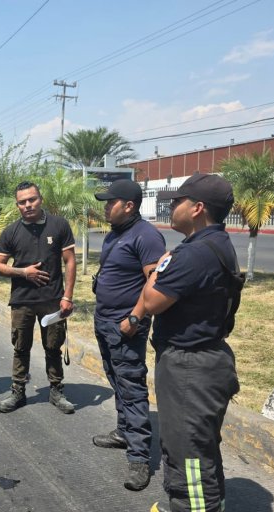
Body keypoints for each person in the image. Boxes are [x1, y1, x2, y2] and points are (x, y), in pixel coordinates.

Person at [140, 173, 240, 512]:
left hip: (190, 365)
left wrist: (157, 269)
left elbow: (151, 302)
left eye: (178, 200)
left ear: (197, 208)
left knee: (189, 451)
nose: (171, 206)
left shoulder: (193, 253)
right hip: (204, 357)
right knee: (196, 444)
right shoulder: (213, 244)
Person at [90, 179, 166, 491]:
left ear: (129, 205)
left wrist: (136, 317)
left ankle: (139, 457)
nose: (106, 207)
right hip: (104, 320)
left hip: (126, 325)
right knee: (116, 379)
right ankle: (123, 432)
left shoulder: (147, 236)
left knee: (132, 387)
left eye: (111, 202)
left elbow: (156, 281)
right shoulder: (116, 233)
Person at [0, 181, 77, 414]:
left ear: (40, 199)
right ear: (17, 204)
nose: (28, 205)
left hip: (53, 300)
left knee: (53, 347)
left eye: (32, 199)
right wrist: (24, 272)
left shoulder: (59, 225)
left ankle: (56, 390)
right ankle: (18, 391)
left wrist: (67, 297)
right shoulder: (11, 231)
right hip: (22, 300)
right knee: (21, 347)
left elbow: (70, 261)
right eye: (22, 202)